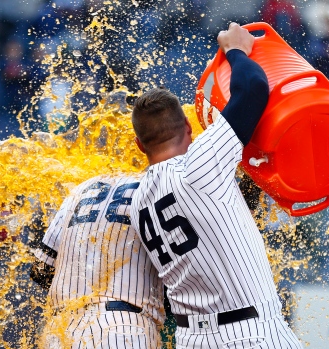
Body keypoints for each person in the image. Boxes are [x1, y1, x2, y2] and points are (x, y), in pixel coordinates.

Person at [129, 23, 303, 348]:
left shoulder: (138, 200)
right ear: (187, 126)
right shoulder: (200, 165)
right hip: (250, 334)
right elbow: (252, 90)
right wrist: (236, 49)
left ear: (140, 145)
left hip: (192, 338)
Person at [30, 174, 165, 348]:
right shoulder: (159, 184)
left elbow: (41, 269)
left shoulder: (81, 188)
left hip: (60, 327)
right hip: (124, 327)